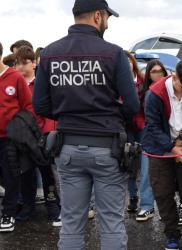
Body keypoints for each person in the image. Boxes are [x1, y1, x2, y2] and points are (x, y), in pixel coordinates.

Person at [32, 0, 140, 248]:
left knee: (71, 223)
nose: (108, 25)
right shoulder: (113, 53)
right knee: (111, 222)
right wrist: (110, 117)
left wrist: (67, 116)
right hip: (107, 148)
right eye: (107, 19)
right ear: (98, 16)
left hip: (67, 148)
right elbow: (132, 104)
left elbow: (40, 105)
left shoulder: (49, 53)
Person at [141, 59, 182, 250]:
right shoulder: (154, 94)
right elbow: (152, 127)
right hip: (160, 150)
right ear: (175, 76)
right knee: (163, 194)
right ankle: (172, 235)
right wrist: (171, 148)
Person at [15, 45, 61, 227]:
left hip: (42, 136)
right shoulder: (16, 83)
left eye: (23, 63)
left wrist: (44, 134)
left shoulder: (43, 82)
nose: (19, 67)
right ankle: (28, 205)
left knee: (47, 174)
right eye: (17, 64)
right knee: (25, 174)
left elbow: (49, 110)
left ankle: (52, 205)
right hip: (22, 138)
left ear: (33, 63)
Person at [0, 41, 35, 233]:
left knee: (11, 175)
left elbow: (28, 107)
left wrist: (21, 131)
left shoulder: (14, 77)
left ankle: (8, 212)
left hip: (9, 138)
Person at [122, 51, 157, 222]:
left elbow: (147, 108)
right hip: (126, 128)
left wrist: (143, 124)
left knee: (145, 166)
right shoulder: (117, 82)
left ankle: (147, 205)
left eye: (128, 60)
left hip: (143, 128)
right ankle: (133, 197)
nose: (126, 63)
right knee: (129, 165)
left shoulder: (144, 81)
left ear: (133, 62)